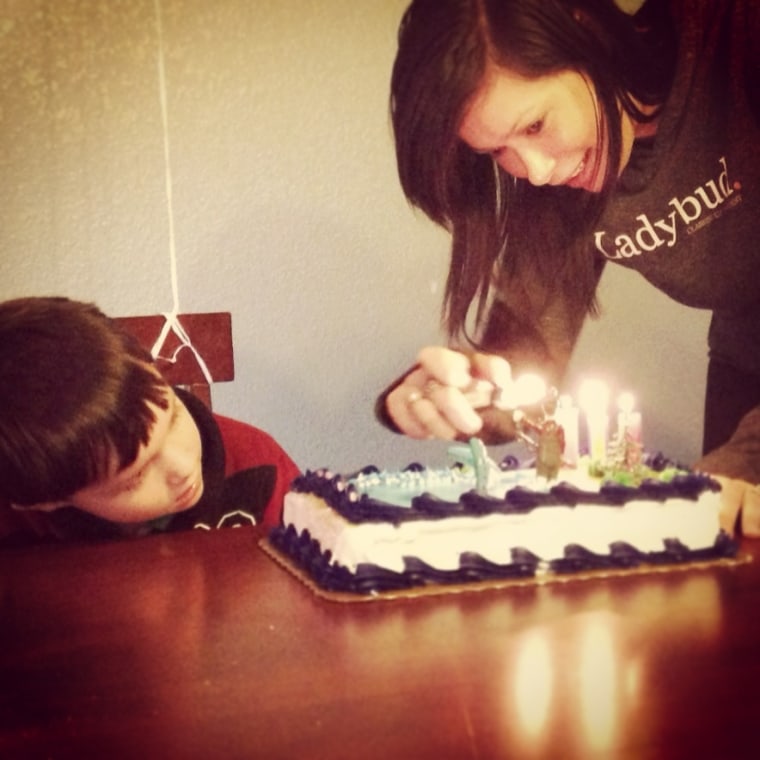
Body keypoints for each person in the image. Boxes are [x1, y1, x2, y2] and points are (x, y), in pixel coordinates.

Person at [377, 0, 760, 535]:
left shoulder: (738, 36)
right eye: (496, 152)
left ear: (585, 32)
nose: (532, 172)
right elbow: (525, 359)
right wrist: (456, 394)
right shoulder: (557, 188)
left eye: (534, 124)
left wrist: (748, 459)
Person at [0, 296, 301, 547]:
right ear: (45, 502)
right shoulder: (18, 518)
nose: (183, 468)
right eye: (136, 477)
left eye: (173, 418)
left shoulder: (258, 465)